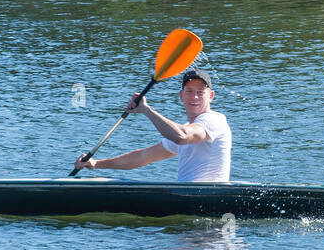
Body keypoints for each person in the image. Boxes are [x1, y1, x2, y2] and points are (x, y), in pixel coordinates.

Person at [73, 68, 231, 182]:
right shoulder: (183, 128)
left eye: (200, 92)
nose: (194, 96)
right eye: (189, 91)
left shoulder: (214, 121)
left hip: (208, 198)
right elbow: (142, 157)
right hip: (189, 198)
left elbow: (182, 137)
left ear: (210, 96)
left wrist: (146, 110)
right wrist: (96, 164)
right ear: (181, 96)